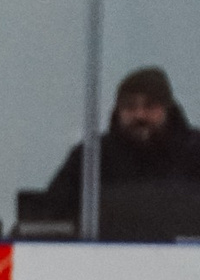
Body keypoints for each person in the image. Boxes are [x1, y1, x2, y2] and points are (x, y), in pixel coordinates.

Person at [40, 65, 200, 228]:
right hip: (103, 252)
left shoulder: (194, 151)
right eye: (130, 107)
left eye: (150, 106)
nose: (140, 115)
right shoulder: (92, 157)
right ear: (118, 110)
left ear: (168, 109)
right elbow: (50, 216)